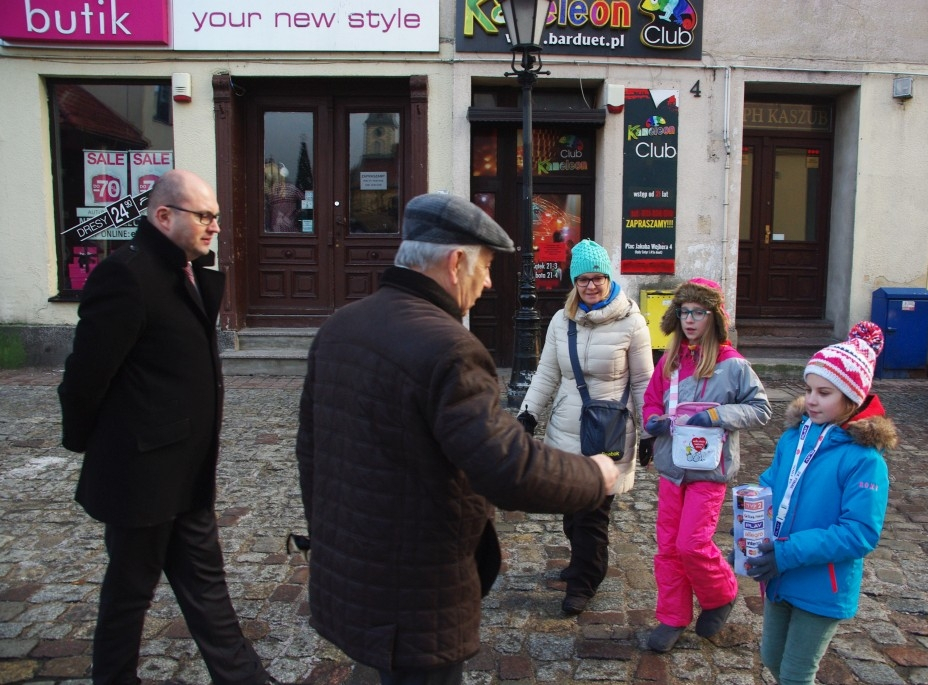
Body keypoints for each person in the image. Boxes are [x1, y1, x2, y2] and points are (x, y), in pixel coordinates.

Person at [295, 193, 620, 685]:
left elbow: (310, 453)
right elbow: (508, 468)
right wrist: (595, 475)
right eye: (486, 266)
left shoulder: (341, 326)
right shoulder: (449, 347)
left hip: (355, 572)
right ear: (455, 262)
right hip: (418, 591)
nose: (488, 282)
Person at [58, 170, 276, 685]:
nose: (215, 227)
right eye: (205, 216)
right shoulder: (126, 276)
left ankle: (244, 679)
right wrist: (94, 444)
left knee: (207, 587)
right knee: (129, 591)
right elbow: (86, 377)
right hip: (142, 475)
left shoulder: (187, 272)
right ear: (163, 216)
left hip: (187, 472)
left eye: (217, 217)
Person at [750, 322, 895, 685]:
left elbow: (860, 533)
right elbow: (774, 479)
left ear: (852, 397)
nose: (811, 399)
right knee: (772, 658)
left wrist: (787, 551)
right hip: (779, 572)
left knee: (797, 674)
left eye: (824, 392)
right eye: (809, 389)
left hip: (822, 582)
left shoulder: (865, 459)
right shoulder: (794, 436)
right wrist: (754, 502)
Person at [517, 239, 654, 615]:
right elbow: (547, 372)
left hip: (608, 432)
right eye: (582, 280)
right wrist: (528, 413)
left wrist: (649, 431)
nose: (591, 286)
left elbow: (644, 381)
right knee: (571, 510)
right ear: (574, 282)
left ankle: (583, 582)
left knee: (593, 512)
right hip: (565, 428)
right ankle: (583, 563)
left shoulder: (632, 321)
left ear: (609, 278)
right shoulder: (563, 321)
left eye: (597, 278)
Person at [641, 277, 771, 652]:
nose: (690, 320)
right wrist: (652, 422)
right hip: (672, 467)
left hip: (708, 471)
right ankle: (672, 616)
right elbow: (651, 401)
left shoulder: (733, 366)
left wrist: (718, 415)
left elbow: (760, 409)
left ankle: (721, 593)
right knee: (667, 546)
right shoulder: (668, 360)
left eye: (698, 312)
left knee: (692, 543)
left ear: (713, 317)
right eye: (684, 312)